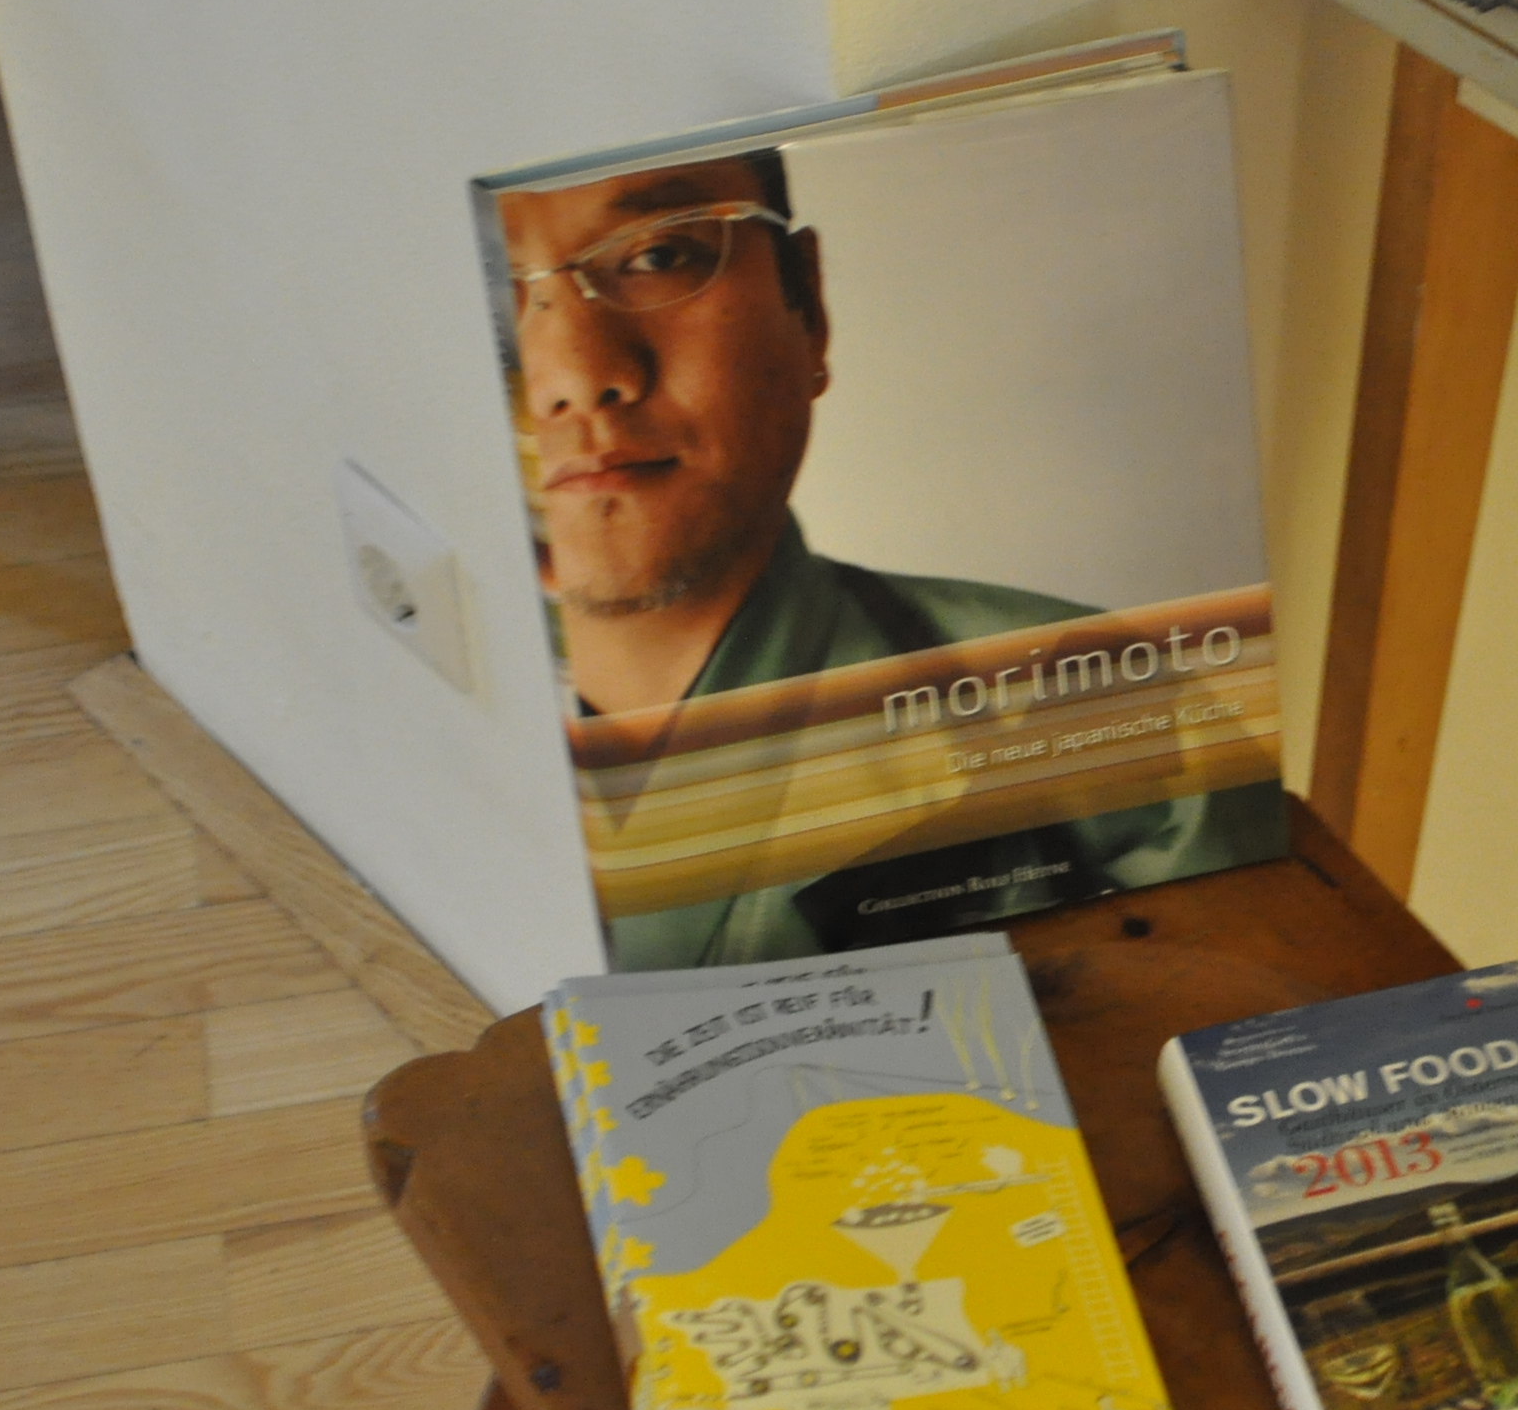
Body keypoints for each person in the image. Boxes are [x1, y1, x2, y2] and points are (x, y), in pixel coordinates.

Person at [499, 148, 1277, 966]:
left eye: (660, 256)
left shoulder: (1085, 699)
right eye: (487, 296)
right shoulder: (421, 744)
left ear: (810, 306)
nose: (575, 376)